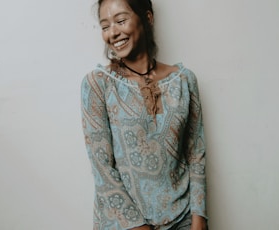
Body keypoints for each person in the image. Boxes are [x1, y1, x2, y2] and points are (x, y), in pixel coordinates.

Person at [81, 0, 208, 229]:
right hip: (124, 223)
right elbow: (102, 168)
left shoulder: (184, 80)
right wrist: (138, 226)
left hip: (182, 218)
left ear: (147, 18)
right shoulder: (98, 84)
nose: (113, 33)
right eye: (105, 26)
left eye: (120, 20)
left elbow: (195, 153)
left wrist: (199, 218)